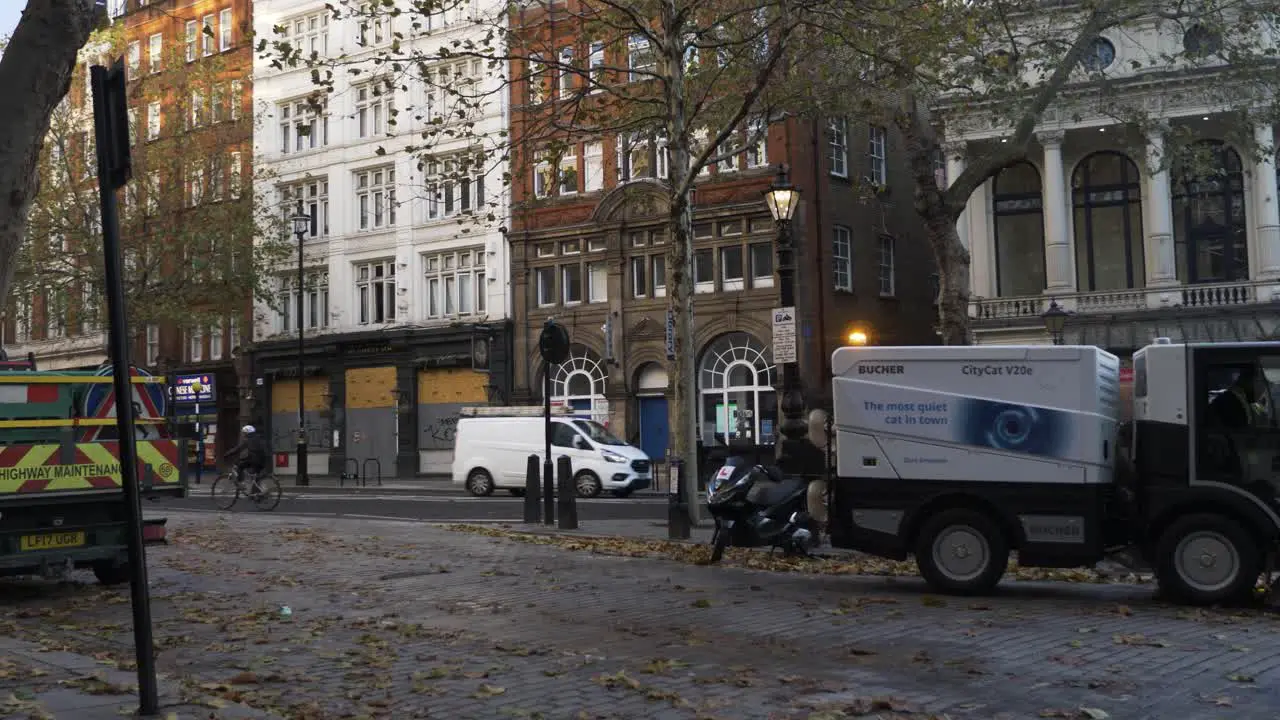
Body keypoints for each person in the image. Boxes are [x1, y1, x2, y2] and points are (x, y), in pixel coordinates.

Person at [224, 424, 268, 490]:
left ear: (247, 433)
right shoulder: (260, 438)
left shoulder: (247, 440)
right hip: (263, 460)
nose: (243, 434)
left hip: (254, 460)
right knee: (255, 477)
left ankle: (241, 483)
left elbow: (238, 449)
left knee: (240, 466)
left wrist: (227, 454)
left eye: (244, 433)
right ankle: (257, 494)